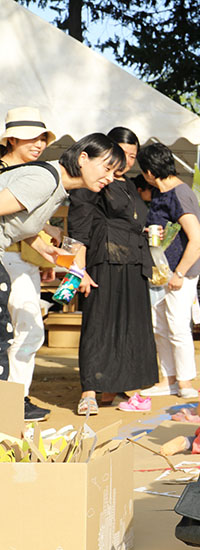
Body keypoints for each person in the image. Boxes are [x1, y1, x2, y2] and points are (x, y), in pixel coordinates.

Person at [0, 133, 122, 415]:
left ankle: (10, 406)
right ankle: (8, 410)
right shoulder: (46, 179)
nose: (110, 177)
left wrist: (47, 249)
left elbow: (15, 222)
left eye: (115, 172)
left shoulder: (57, 186)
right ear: (83, 158)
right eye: (106, 168)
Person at [69, 127, 158, 416]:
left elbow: (133, 220)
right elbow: (80, 221)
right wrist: (78, 266)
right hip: (104, 257)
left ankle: (116, 385)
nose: (128, 161)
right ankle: (89, 392)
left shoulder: (131, 185)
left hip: (134, 260)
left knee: (132, 326)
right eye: (122, 154)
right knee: (100, 323)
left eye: (132, 156)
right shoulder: (94, 181)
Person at [0, 107, 61, 421]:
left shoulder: (32, 172)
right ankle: (14, 400)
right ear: (11, 139)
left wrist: (41, 250)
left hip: (22, 260)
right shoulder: (12, 173)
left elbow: (26, 226)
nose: (38, 144)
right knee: (28, 331)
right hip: (9, 260)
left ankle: (14, 398)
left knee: (23, 331)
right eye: (29, 138)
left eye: (41, 138)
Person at [137, 142, 200, 400]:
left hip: (178, 273)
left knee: (178, 327)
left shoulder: (179, 193)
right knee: (161, 327)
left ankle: (185, 382)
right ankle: (169, 380)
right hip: (160, 271)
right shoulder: (161, 194)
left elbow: (197, 239)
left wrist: (179, 273)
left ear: (150, 173)